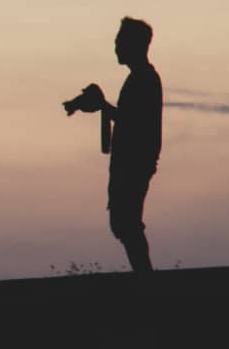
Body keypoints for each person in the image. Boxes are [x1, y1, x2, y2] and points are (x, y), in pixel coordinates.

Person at [68, 17, 162, 272]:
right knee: (124, 222)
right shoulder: (139, 79)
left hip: (135, 163)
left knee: (127, 222)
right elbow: (126, 118)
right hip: (128, 162)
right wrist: (99, 105)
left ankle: (145, 274)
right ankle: (144, 273)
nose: (117, 48)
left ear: (134, 45)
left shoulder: (144, 80)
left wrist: (102, 105)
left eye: (120, 42)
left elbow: (132, 121)